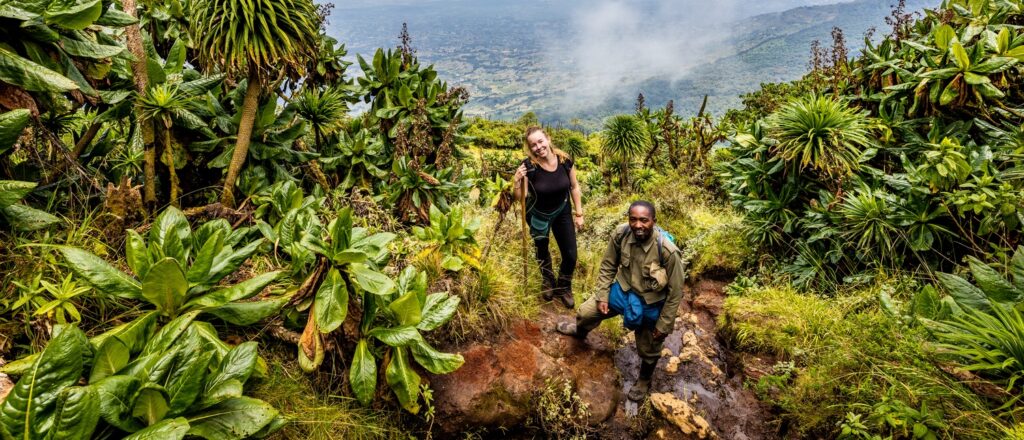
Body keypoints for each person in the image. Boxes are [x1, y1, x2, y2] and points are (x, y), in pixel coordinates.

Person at [555, 201, 686, 401]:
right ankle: (580, 331)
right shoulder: (621, 234)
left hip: (650, 302)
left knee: (649, 348)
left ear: (653, 221)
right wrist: (603, 295)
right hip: (623, 290)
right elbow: (608, 264)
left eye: (644, 220)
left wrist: (664, 323)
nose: (638, 225)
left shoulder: (667, 251)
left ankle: (643, 380)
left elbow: (676, 292)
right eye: (633, 219)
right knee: (586, 313)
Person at [513, 126, 584, 308]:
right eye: (533, 145)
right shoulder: (529, 166)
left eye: (540, 141)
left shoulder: (565, 160)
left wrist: (579, 213)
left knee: (570, 255)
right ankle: (548, 280)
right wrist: (516, 182)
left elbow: (574, 187)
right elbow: (521, 198)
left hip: (562, 211)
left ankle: (564, 286)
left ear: (548, 139)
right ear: (530, 148)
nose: (538, 147)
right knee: (542, 250)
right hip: (538, 214)